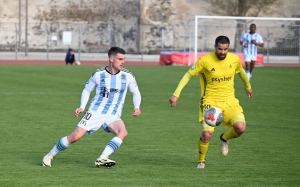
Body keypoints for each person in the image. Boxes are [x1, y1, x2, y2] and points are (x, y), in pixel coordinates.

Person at [42, 47, 142, 168]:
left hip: (113, 114)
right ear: (111, 59)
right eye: (120, 59)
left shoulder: (128, 76)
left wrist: (137, 107)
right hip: (96, 111)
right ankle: (49, 156)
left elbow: (136, 92)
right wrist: (82, 106)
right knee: (75, 137)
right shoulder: (98, 74)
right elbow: (87, 90)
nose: (123, 62)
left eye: (124, 59)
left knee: (123, 132)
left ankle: (102, 158)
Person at [169, 36, 252, 169]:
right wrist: (176, 94)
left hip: (230, 101)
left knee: (240, 128)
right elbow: (188, 75)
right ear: (215, 47)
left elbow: (241, 72)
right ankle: (201, 161)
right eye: (220, 49)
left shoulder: (234, 59)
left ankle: (224, 138)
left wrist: (248, 86)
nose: (222, 52)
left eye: (225, 49)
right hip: (210, 102)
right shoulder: (205, 61)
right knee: (207, 134)